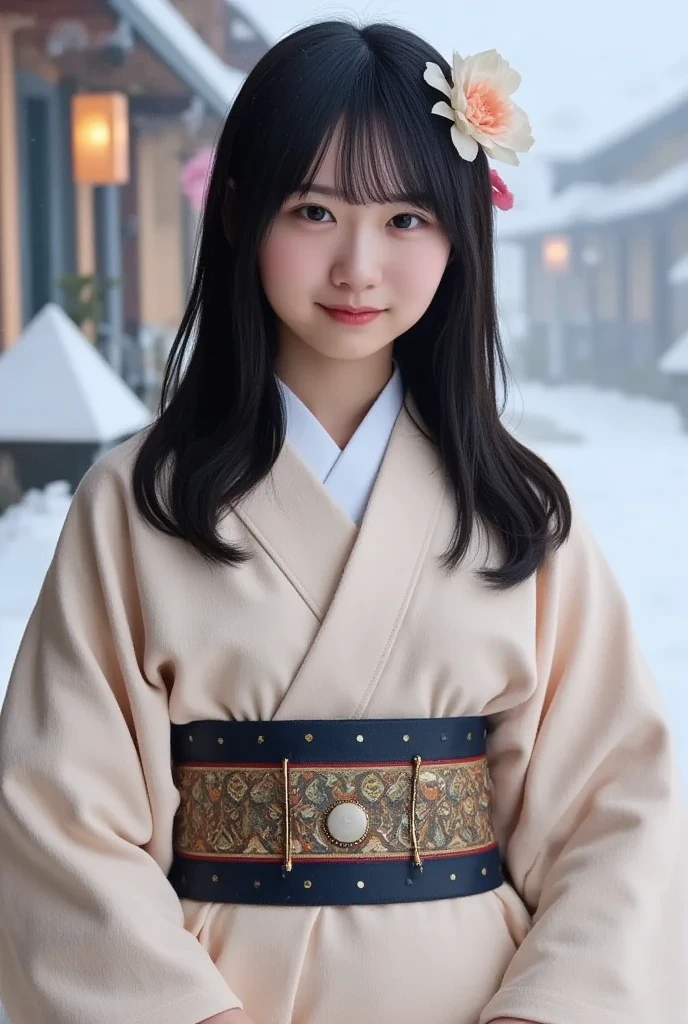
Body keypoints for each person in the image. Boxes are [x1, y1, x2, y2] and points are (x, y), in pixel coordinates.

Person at [0, 19, 685, 1024]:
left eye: (406, 218)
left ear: (461, 232)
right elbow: (58, 818)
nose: (357, 266)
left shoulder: (519, 511)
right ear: (238, 212)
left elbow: (616, 811)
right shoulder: (137, 503)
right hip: (208, 992)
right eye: (314, 209)